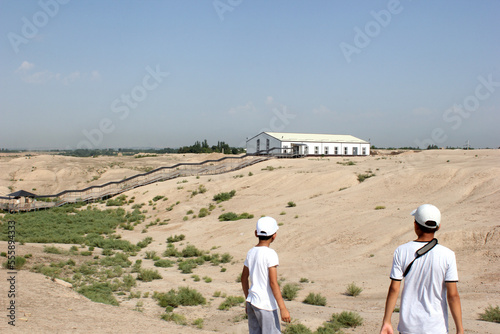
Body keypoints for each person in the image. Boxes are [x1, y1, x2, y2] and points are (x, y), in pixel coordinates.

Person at [380, 204, 464, 334]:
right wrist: (460, 329)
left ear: (415, 225)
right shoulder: (448, 255)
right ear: (438, 227)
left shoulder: (401, 251)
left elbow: (394, 288)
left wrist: (387, 321)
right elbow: (452, 295)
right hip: (436, 327)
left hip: (408, 327)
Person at [241, 216, 291, 333]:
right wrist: (283, 308)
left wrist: (248, 298)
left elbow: (243, 278)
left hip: (252, 302)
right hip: (266, 305)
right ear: (274, 235)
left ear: (255, 233)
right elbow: (273, 283)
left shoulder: (251, 252)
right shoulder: (271, 254)